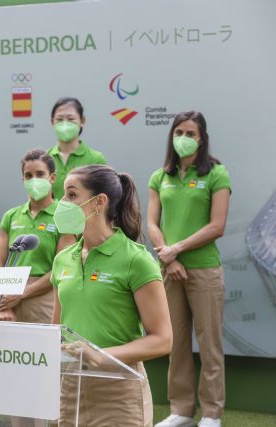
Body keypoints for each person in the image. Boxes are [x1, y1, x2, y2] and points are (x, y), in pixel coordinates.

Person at [50, 164, 172, 426]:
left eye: (71, 195)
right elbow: (56, 330)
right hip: (71, 387)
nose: (62, 203)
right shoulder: (62, 259)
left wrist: (102, 355)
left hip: (120, 390)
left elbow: (162, 340)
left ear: (99, 202)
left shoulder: (136, 260)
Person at [148, 112, 231, 427]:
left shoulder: (217, 174)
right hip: (170, 271)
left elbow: (217, 225)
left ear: (202, 138)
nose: (183, 137)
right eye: (179, 131)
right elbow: (152, 224)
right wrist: (170, 259)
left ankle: (212, 414)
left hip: (205, 271)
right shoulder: (160, 177)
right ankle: (181, 410)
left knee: (210, 344)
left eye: (191, 133)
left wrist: (178, 249)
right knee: (176, 342)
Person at [0, 149, 73, 427]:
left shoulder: (64, 216)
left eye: (40, 174)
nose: (34, 180)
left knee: (43, 373)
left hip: (45, 296)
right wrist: (5, 305)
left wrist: (23, 294)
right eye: (28, 175)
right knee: (16, 374)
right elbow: (1, 264)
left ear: (52, 177)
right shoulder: (11, 217)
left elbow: (60, 268)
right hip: (10, 299)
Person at [46, 97, 106, 200]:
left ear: (82, 121)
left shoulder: (96, 159)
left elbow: (102, 200)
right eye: (59, 119)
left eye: (70, 119)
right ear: (52, 122)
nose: (65, 124)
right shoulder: (44, 159)